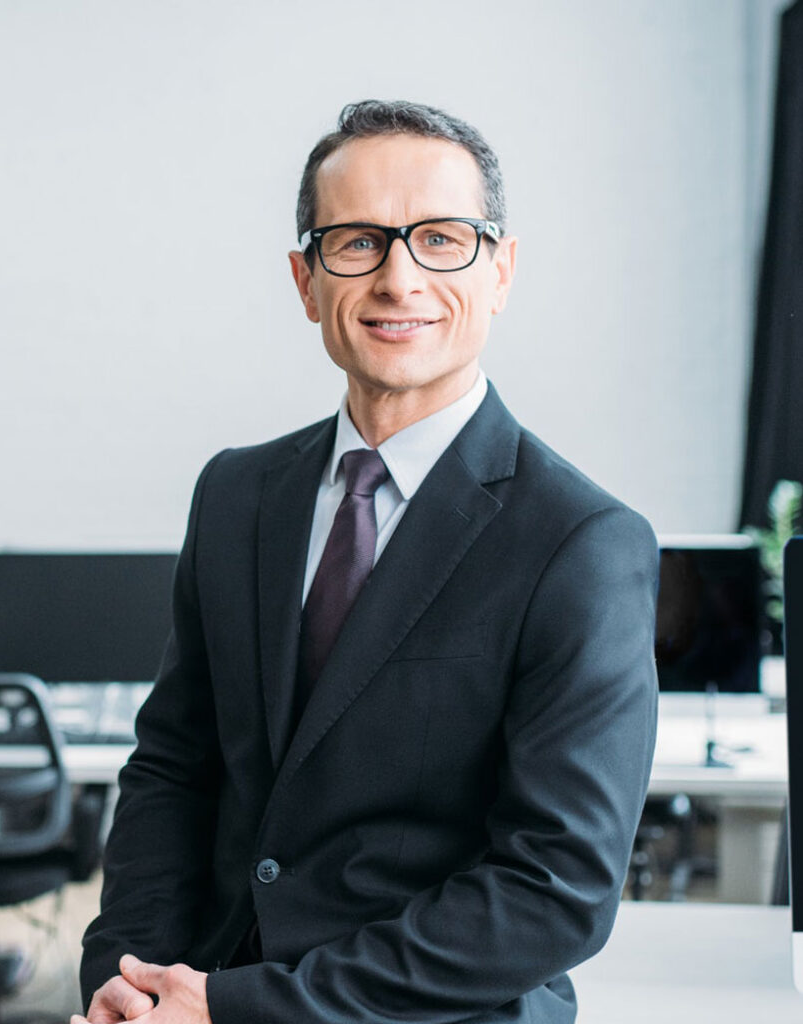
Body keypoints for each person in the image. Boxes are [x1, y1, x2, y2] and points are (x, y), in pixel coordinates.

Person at [75, 99, 659, 1024]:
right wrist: (126, 977)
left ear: (501, 272)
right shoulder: (235, 494)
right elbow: (174, 771)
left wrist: (242, 1007)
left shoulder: (580, 542)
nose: (399, 278)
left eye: (441, 240)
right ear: (306, 281)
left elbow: (553, 890)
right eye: (357, 242)